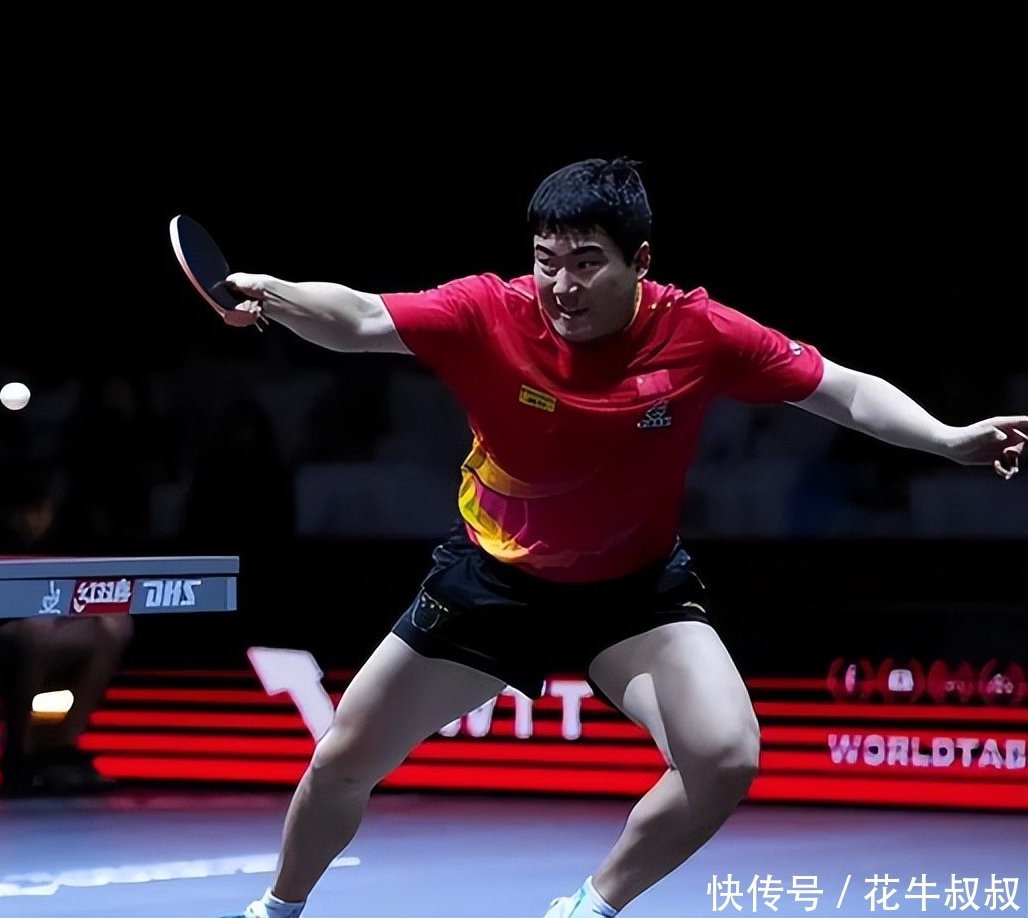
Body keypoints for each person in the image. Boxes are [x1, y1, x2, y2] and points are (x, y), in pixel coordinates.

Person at [207, 157, 1026, 918]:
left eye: (587, 262)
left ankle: (588, 907)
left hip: (634, 594)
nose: (562, 286)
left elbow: (838, 390)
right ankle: (276, 908)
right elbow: (361, 317)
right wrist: (272, 294)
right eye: (546, 261)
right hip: (492, 581)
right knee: (342, 759)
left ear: (640, 260)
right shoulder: (488, 311)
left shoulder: (699, 332)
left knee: (726, 756)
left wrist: (946, 438)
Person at [0, 461, 136, 795]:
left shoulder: (66, 537)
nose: (32, 521)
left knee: (115, 626)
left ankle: (62, 745)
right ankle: (20, 748)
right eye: (24, 513)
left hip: (50, 624)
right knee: (35, 632)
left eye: (39, 511)